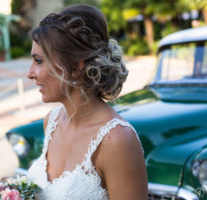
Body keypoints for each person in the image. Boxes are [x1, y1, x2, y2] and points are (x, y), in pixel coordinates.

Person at [26, 4, 147, 200]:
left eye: (38, 61)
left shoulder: (117, 141)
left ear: (75, 66)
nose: (30, 73)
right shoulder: (51, 122)